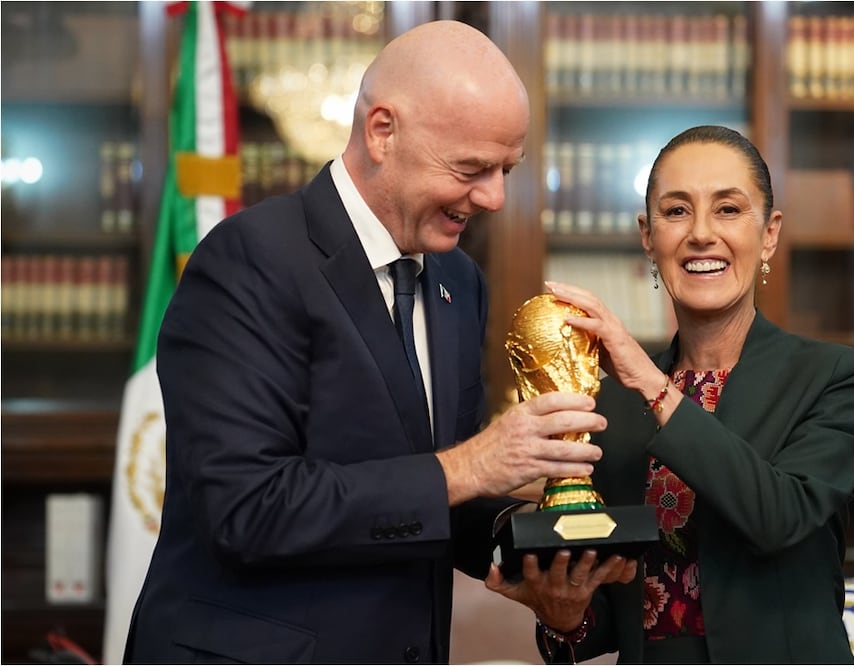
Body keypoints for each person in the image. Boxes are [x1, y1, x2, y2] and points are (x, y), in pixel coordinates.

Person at [124, 20, 633, 664]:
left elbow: (439, 496)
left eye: (507, 168)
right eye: (471, 167)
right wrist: (474, 463)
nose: (496, 197)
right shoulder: (249, 258)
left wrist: (534, 546)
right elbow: (247, 509)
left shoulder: (458, 280)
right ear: (382, 131)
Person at [486, 124, 854, 664]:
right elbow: (613, 606)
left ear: (769, 233)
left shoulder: (834, 375)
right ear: (648, 236)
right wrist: (565, 617)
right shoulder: (609, 403)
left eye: (728, 210)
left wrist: (652, 383)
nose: (700, 234)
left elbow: (779, 518)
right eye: (676, 212)